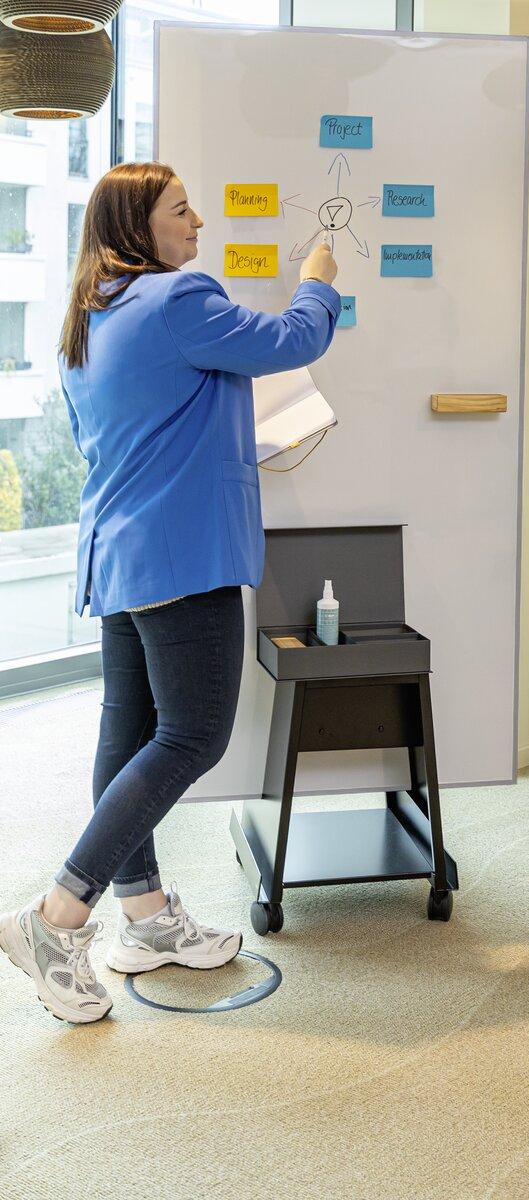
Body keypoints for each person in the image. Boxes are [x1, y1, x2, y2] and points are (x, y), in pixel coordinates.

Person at [0, 162, 341, 1024]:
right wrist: (317, 283)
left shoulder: (91, 319)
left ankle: (145, 918)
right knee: (193, 734)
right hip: (182, 556)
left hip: (118, 554)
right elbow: (293, 342)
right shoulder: (178, 301)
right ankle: (58, 916)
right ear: (136, 228)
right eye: (181, 210)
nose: (198, 223)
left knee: (131, 731)